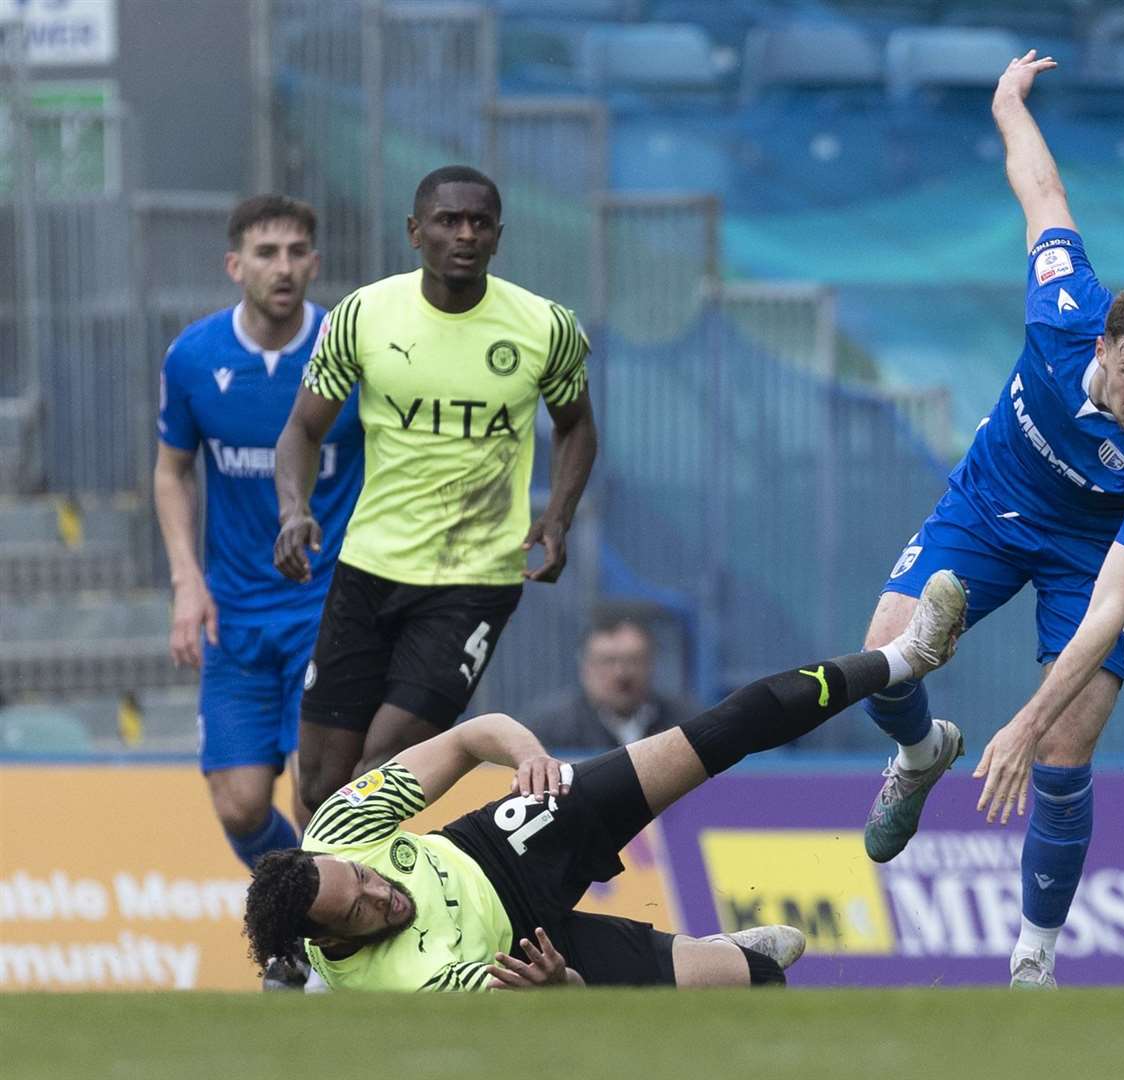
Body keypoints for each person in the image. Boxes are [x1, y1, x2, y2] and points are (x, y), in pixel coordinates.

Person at [855, 52, 1124, 988]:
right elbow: (1041, 189)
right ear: (1103, 343)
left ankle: (1033, 963)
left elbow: (1110, 609)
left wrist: (1022, 723)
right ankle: (920, 750)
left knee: (1064, 746)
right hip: (986, 506)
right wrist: (1010, 101)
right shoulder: (1061, 305)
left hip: (1087, 559)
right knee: (884, 658)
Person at [243, 570, 968, 990]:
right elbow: (557, 1013)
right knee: (759, 981)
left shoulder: (338, 831)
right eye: (362, 909)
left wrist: (529, 757)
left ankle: (909, 654)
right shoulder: (402, 986)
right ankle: (726, 954)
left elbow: (470, 737)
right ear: (324, 939)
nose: (380, 890)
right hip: (525, 954)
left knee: (723, 730)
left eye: (362, 877)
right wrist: (557, 986)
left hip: (503, 846)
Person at [272, 165, 598, 820]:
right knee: (317, 783)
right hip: (368, 568)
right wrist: (293, 509)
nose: (466, 234)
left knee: (379, 771)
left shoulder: (544, 327)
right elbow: (302, 429)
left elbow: (577, 427)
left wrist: (557, 517)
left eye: (480, 222)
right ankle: (321, 915)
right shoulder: (364, 315)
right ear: (415, 231)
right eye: (449, 220)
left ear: (499, 238)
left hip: (474, 580)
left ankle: (351, 910)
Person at [153, 195, 364, 874]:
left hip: (327, 606)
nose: (284, 267)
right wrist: (188, 582)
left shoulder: (350, 350)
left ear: (315, 263)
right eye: (267, 253)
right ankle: (307, 921)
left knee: (318, 797)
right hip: (235, 614)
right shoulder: (193, 358)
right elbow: (171, 472)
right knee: (241, 805)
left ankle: (324, 950)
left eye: (297, 252)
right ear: (234, 265)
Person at [524, 610, 693, 750]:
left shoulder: (686, 724)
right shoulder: (548, 731)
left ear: (651, 663)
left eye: (633, 660)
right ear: (585, 667)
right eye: (608, 661)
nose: (621, 673)